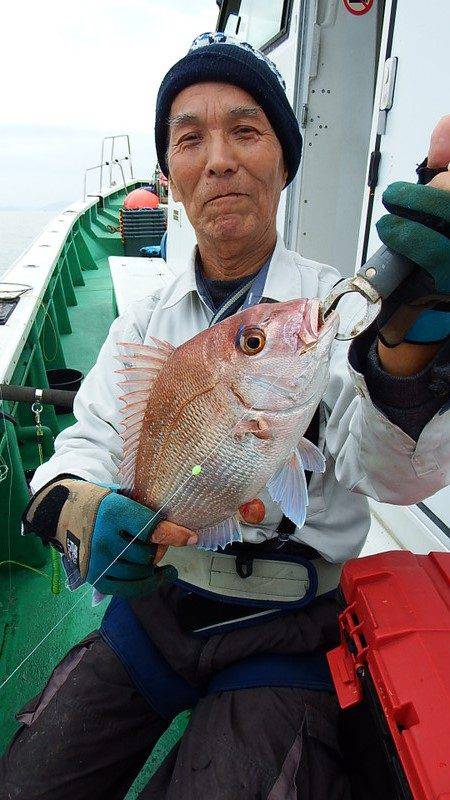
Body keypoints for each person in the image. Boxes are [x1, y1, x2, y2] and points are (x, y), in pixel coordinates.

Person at [1, 32, 449, 800]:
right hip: (154, 611)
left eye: (246, 130)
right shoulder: (142, 321)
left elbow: (391, 475)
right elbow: (87, 443)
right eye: (189, 139)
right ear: (171, 174)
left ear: (283, 159)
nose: (218, 159)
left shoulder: (329, 314)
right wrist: (82, 505)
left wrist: (407, 343)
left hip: (286, 625)